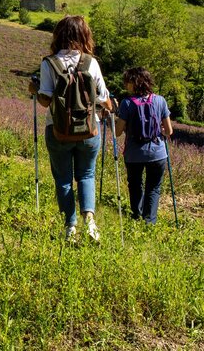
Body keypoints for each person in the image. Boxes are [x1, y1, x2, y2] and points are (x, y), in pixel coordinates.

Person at [28, 15, 112, 242]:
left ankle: (70, 228)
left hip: (58, 130)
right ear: (84, 35)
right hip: (89, 129)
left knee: (63, 179)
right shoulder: (91, 62)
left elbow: (45, 100)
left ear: (59, 35)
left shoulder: (49, 63)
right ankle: (91, 223)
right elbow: (104, 99)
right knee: (87, 174)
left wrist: (34, 90)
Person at [114, 67, 172, 225]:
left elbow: (117, 132)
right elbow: (169, 131)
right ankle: (149, 222)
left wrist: (117, 121)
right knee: (153, 187)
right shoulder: (160, 100)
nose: (126, 85)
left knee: (135, 185)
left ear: (134, 83)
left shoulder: (126, 103)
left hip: (134, 154)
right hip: (158, 153)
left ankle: (136, 217)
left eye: (127, 82)